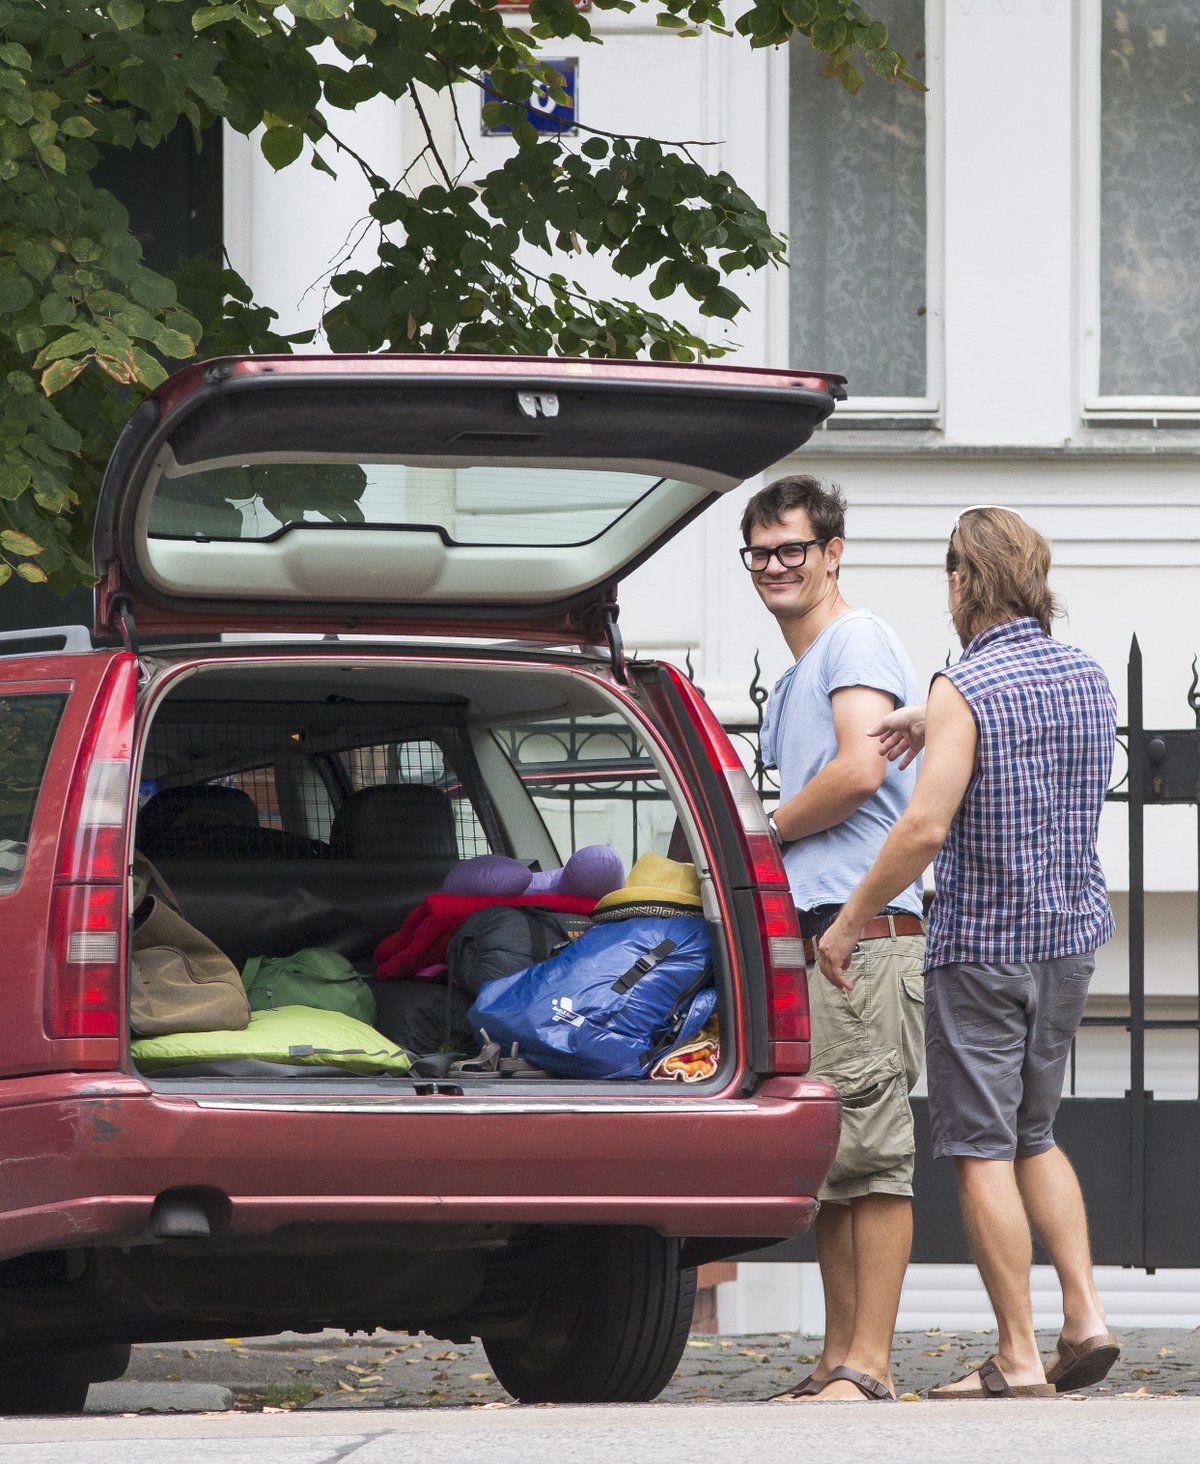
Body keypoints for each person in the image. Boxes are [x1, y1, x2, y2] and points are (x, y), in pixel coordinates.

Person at [817, 505, 1119, 1401]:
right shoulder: (1087, 676)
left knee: (982, 1147)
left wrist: (847, 920)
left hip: (984, 950)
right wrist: (934, 715)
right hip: (1068, 944)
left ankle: (1020, 1356)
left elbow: (922, 828)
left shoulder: (967, 686)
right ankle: (1086, 1315)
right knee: (1036, 1133)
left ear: (961, 581)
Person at [742, 475, 926, 1404]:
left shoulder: (854, 640)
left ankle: (871, 1363)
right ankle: (836, 1361)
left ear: (833, 552)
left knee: (873, 1152)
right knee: (835, 1159)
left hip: (864, 937)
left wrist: (764, 833)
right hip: (824, 938)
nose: (776, 567)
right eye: (761, 553)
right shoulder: (805, 662)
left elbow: (859, 768)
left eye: (793, 550)